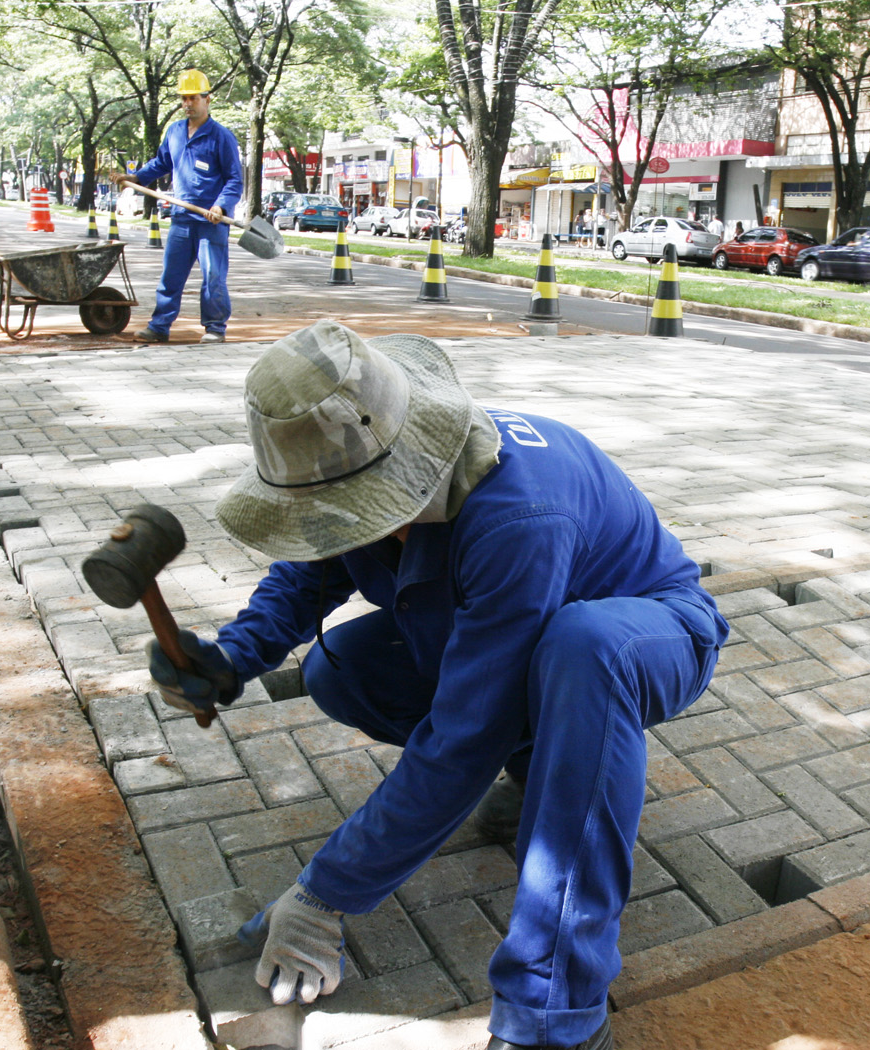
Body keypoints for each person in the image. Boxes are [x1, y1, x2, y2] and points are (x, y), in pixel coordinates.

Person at [148, 320, 728, 1050]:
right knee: (343, 668)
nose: (335, 524)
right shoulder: (366, 452)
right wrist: (232, 659)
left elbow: (462, 739)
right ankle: (543, 768)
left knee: (580, 649)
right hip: (532, 640)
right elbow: (308, 572)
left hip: (648, 635)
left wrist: (327, 891)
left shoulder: (516, 516)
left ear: (403, 473)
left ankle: (558, 1013)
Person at [111, 69, 241, 344]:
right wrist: (136, 178)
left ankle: (215, 328)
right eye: (184, 98)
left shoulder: (221, 137)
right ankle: (159, 327)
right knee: (171, 276)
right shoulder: (175, 132)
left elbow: (234, 179)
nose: (187, 103)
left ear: (207, 99)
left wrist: (221, 206)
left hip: (210, 222)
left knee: (213, 278)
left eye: (193, 98)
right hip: (182, 218)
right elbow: (161, 163)